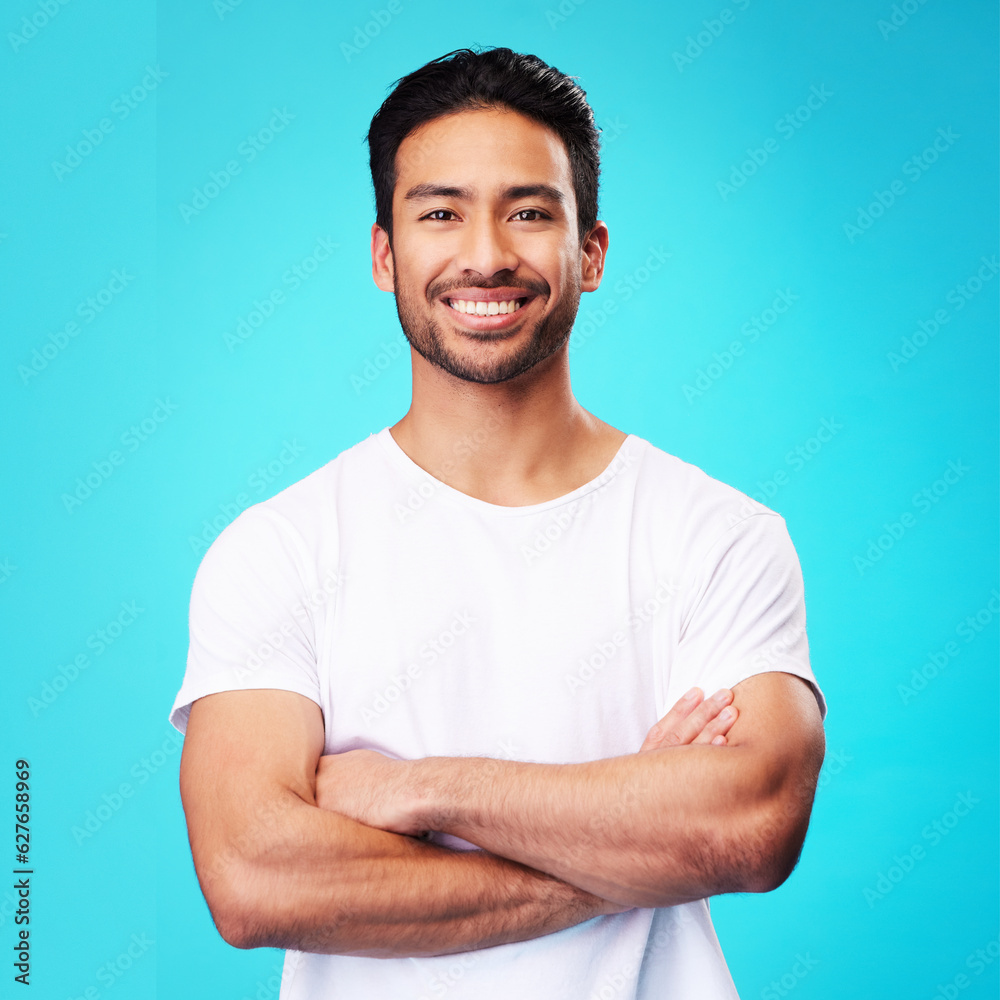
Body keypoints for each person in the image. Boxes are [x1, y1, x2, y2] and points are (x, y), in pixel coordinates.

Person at [170, 46, 826, 1000]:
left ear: (589, 252)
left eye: (529, 211)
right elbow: (254, 879)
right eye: (441, 212)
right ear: (384, 253)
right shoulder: (279, 550)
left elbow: (752, 828)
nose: (485, 253)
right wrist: (631, 839)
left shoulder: (719, 535)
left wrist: (420, 788)